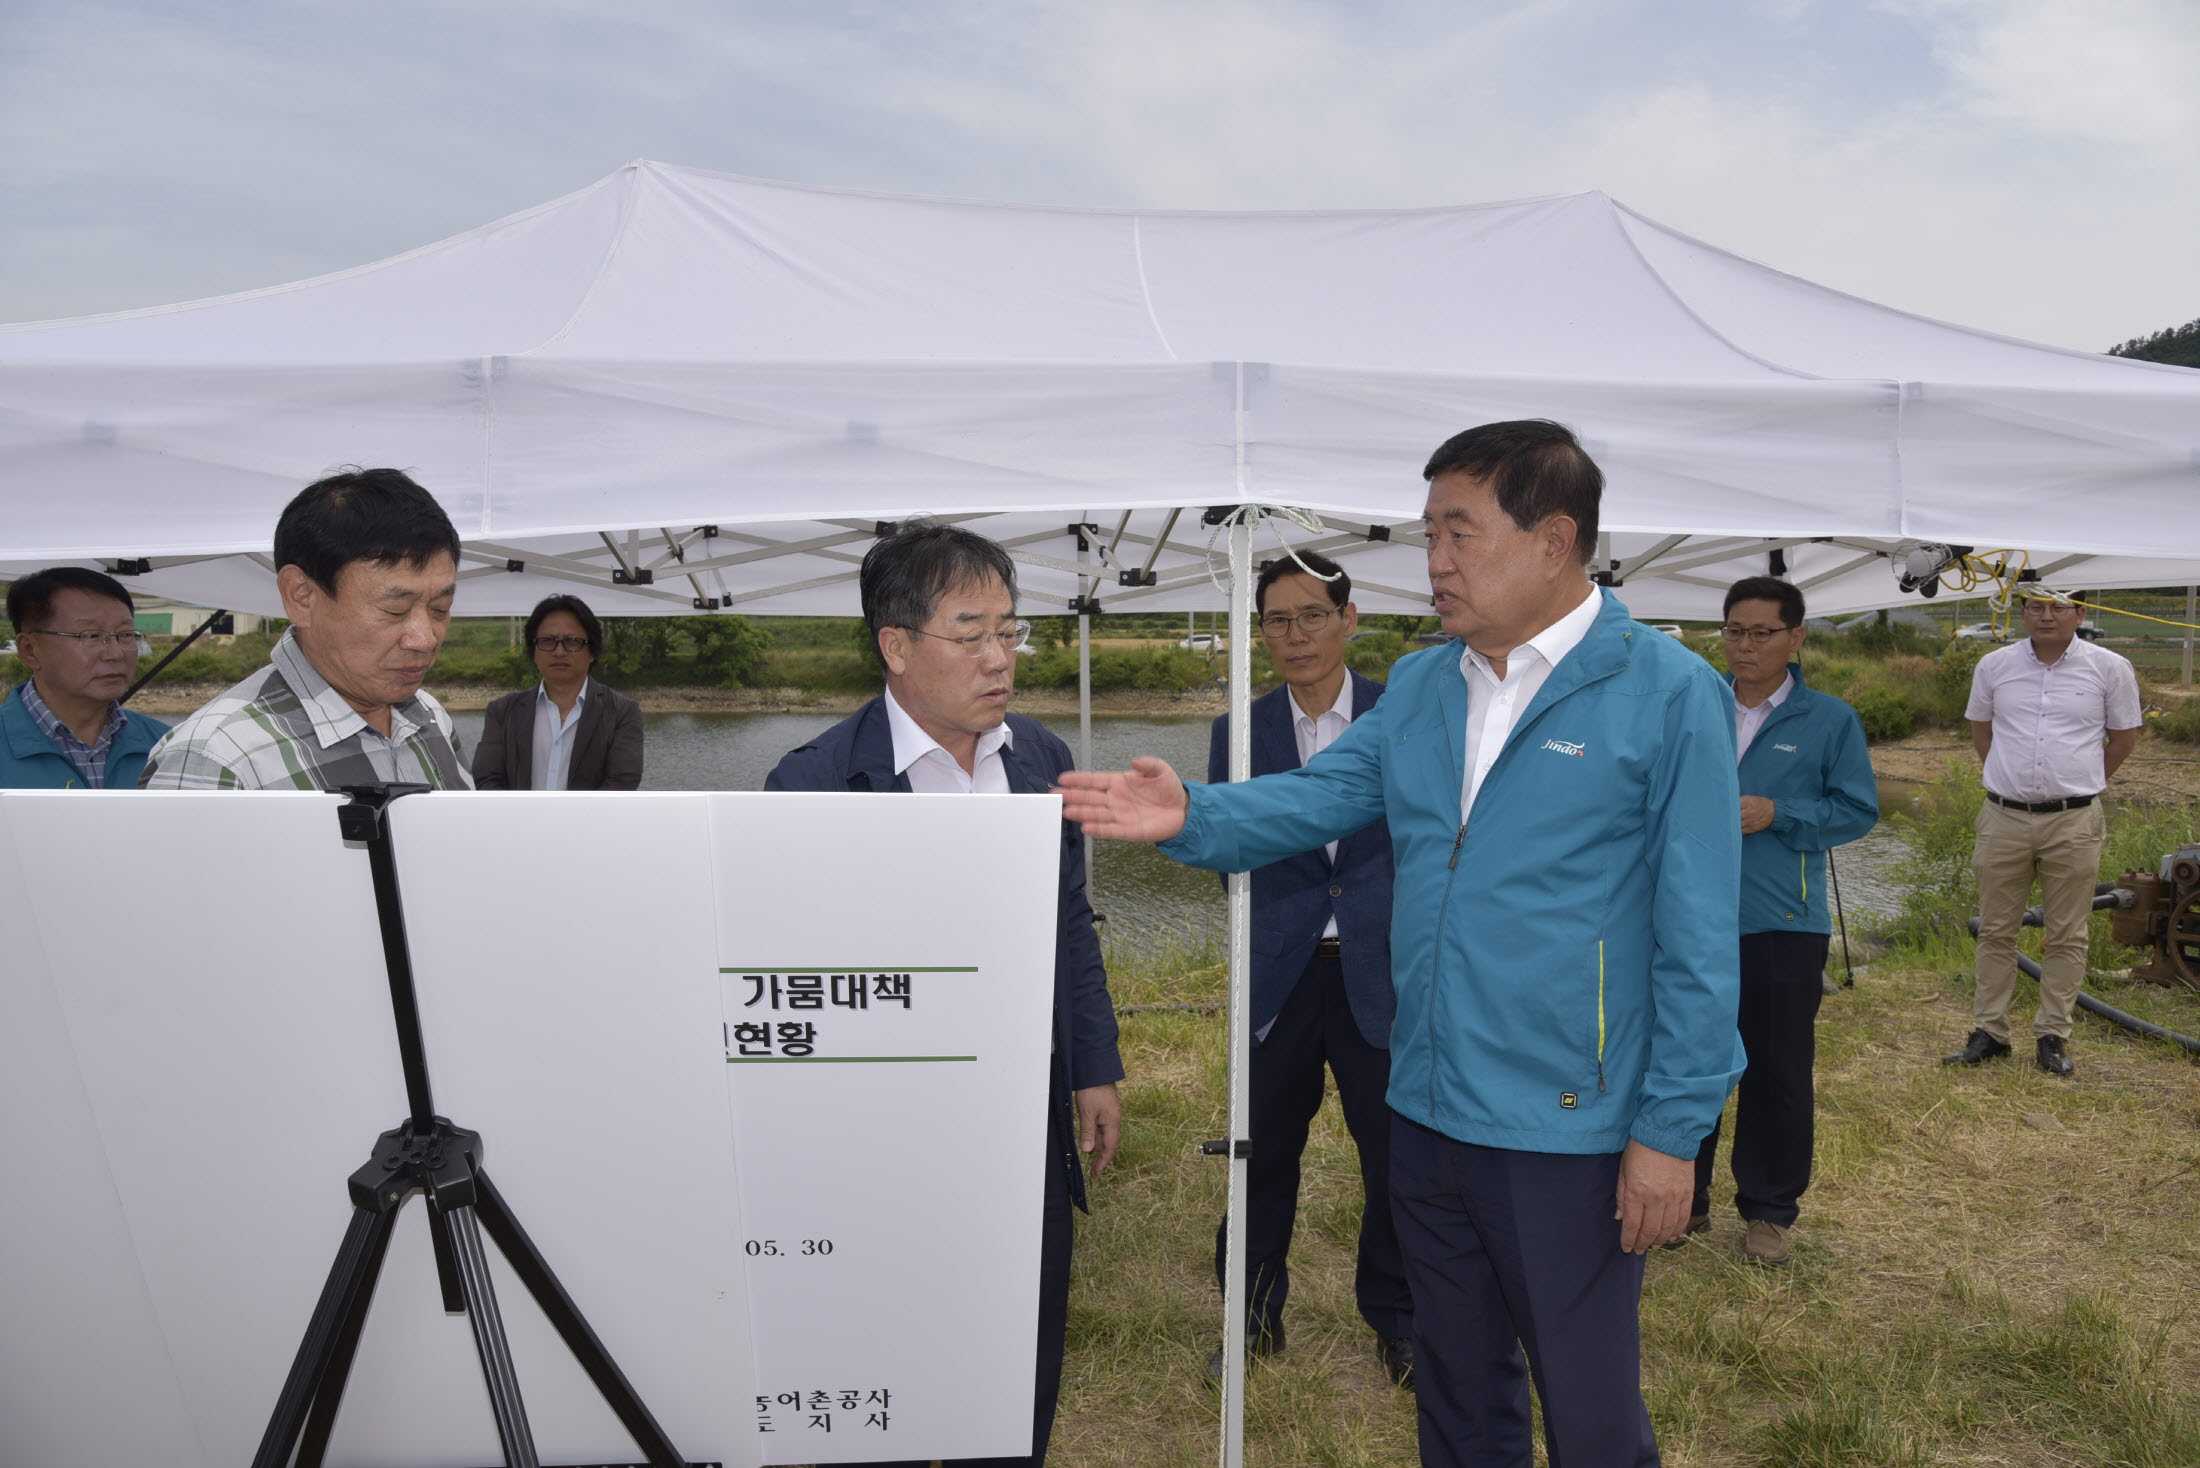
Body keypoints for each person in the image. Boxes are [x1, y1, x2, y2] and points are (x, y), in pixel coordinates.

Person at [1060, 419, 1742, 1468]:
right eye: (1428, 535)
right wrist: (1188, 815)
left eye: (1457, 534)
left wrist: (1670, 1132)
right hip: (1422, 1108)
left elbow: (1699, 939)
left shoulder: (1665, 691)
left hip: (1569, 1125)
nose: (1434, 563)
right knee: (1458, 1391)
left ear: (1553, 539)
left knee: (1591, 1408)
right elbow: (1313, 796)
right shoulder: (1426, 686)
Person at [764, 519, 1123, 1468]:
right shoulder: (811, 787)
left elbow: (1068, 927)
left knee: (1020, 1344)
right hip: (882, 1130)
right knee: (883, 1340)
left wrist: (1095, 1068)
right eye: (971, 636)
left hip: (1024, 1111)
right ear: (896, 646)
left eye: (1010, 631)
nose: (1000, 658)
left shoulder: (1040, 762)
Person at [1204, 550, 1413, 1387]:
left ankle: (1401, 1325)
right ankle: (1250, 1320)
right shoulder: (1239, 729)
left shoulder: (1404, 717)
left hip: (1384, 978)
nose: (1295, 636)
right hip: (1280, 976)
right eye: (1278, 621)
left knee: (1398, 1163)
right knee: (1260, 1158)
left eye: (1311, 616)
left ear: (1348, 620)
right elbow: (1224, 845)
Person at [1681, 576, 1876, 1266]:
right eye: (1735, 630)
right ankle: (1682, 1198)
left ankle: (1769, 1211)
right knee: (1686, 1059)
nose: (1745, 645)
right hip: (1686, 915)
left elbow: (1857, 810)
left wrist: (1780, 815)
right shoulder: (1693, 702)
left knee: (1777, 1072)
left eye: (1762, 633)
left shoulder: (1829, 720)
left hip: (1780, 922)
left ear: (1796, 639)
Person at [139, 468, 469, 790]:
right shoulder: (216, 759)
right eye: (394, 610)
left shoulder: (430, 716)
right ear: (302, 596)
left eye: (440, 609)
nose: (425, 639)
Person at [1946, 589, 2141, 1077]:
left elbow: (2123, 738)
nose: (2047, 615)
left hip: (2073, 819)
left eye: (2059, 607)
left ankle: (2052, 1035)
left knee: (2067, 932)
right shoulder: (1994, 666)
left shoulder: (2110, 667)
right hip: (2004, 816)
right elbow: (1982, 731)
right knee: (1996, 928)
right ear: (2023, 613)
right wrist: (2009, 781)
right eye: (2036, 606)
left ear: (2080, 613)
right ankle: (1989, 1032)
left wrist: (2080, 783)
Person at [2, 567, 169, 788]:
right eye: (91, 636)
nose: (115, 653)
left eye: (126, 635)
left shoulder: (168, 746)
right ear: (29, 650)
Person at [471, 595, 643, 790]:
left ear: (593, 651)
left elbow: (623, 782)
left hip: (590, 820)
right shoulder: (502, 712)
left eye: (572, 641)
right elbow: (487, 779)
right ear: (533, 651)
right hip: (518, 820)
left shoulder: (622, 712)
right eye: (547, 640)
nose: (559, 651)